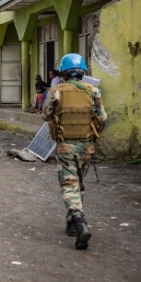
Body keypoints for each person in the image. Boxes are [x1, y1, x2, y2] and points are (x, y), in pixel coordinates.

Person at [43, 53, 107, 250]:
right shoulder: (93, 91)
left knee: (69, 184)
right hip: (87, 146)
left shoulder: (56, 91)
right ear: (82, 72)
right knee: (78, 183)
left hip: (66, 145)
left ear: (63, 72)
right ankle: (72, 225)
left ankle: (78, 221)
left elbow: (46, 115)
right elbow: (102, 118)